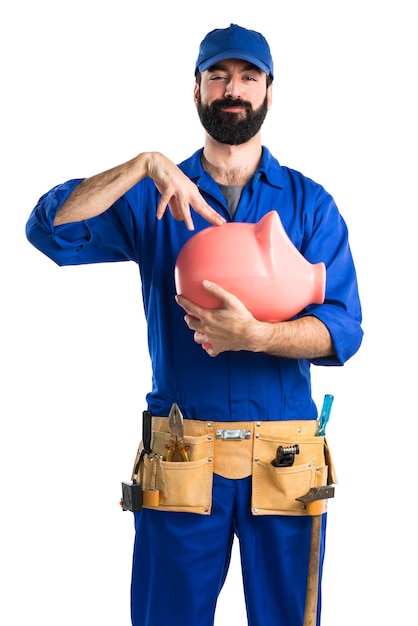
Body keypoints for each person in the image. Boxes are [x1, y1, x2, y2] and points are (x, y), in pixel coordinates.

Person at [26, 23, 363, 626]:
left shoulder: (311, 204)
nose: (233, 89)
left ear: (268, 92)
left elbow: (343, 330)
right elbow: (49, 230)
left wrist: (257, 336)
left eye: (248, 77)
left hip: (284, 459)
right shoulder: (153, 195)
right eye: (219, 77)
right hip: (184, 452)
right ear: (197, 91)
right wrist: (142, 166)